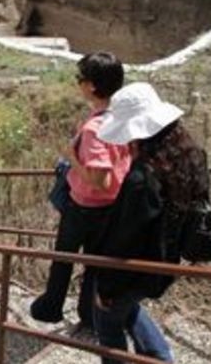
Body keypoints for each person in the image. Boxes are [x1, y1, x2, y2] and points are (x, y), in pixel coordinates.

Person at [31, 52, 131, 328]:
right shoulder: (121, 117)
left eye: (80, 78)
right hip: (111, 207)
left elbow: (101, 179)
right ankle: (89, 316)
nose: (77, 83)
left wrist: (72, 158)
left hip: (85, 206)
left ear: (92, 86)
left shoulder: (94, 128)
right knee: (95, 265)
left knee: (64, 258)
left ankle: (50, 307)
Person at [88, 82, 184, 364]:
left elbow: (125, 238)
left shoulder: (142, 179)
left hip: (135, 265)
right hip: (165, 257)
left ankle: (156, 358)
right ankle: (160, 356)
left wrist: (105, 289)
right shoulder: (185, 156)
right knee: (128, 307)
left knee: (107, 320)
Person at [99, 82, 211, 266]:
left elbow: (127, 235)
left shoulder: (143, 176)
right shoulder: (192, 154)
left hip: (139, 267)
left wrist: (106, 285)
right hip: (171, 254)